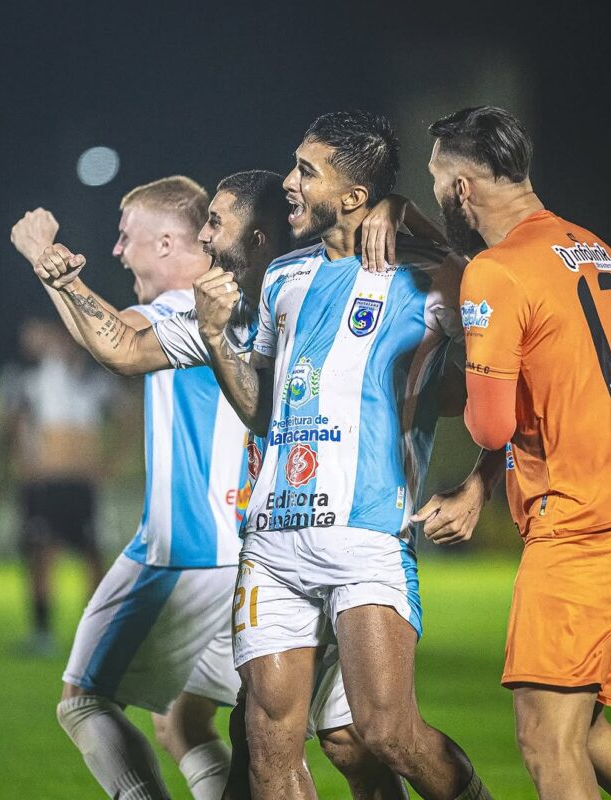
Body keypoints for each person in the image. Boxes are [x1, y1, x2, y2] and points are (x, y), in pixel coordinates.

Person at [18, 171, 411, 800]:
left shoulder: (183, 308)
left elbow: (114, 341)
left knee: (82, 701)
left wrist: (46, 260)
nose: (118, 251)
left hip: (189, 547)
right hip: (259, 552)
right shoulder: (262, 303)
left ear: (171, 245)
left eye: (128, 237)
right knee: (201, 723)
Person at [192, 110, 499, 800]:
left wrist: (407, 213)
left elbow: (505, 325)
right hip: (273, 542)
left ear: (355, 196)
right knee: (271, 740)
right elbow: (263, 412)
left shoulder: (433, 281)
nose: (290, 182)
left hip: (368, 536)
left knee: (385, 733)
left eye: (307, 171)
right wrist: (216, 338)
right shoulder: (284, 279)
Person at [427, 105, 611, 800]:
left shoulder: (497, 271)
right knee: (586, 735)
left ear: (460, 188)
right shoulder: (593, 249)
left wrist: (435, 359)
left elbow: (490, 425)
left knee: (547, 742)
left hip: (580, 527)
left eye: (434, 178)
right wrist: (482, 487)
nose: (434, 192)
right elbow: (546, 398)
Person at [0, 316, 114, 655]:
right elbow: (14, 424)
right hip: (44, 482)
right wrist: (20, 464)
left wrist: (111, 462)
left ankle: (95, 632)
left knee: (92, 554)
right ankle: (41, 631)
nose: (30, 339)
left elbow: (124, 414)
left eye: (37, 332)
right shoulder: (24, 376)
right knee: (40, 553)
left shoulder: (91, 374)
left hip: (80, 482)